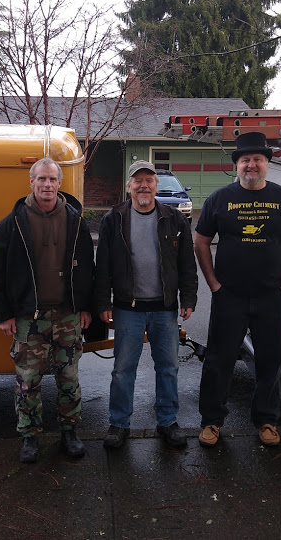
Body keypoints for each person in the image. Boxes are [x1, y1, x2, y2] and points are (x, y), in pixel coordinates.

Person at [194, 132, 281, 448]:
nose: (251, 165)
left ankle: (267, 421)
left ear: (266, 164)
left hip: (272, 296)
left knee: (271, 360)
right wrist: (214, 284)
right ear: (237, 165)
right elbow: (201, 241)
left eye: (257, 159)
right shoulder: (219, 199)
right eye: (245, 159)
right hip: (229, 295)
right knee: (219, 360)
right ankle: (211, 422)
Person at [0, 157, 94, 463]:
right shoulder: (10, 225)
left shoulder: (75, 221)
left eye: (52, 180)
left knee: (68, 377)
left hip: (67, 315)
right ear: (31, 183)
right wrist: (3, 314)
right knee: (27, 380)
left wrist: (85, 307)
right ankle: (29, 437)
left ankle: (70, 432)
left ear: (60, 184)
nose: (47, 185)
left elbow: (88, 268)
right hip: (27, 318)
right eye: (41, 179)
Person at [95, 161, 198, 448]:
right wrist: (103, 301)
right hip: (128, 309)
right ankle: (119, 424)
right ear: (128, 187)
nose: (143, 185)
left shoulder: (174, 219)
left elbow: (187, 265)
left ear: (156, 185)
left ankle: (168, 421)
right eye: (137, 180)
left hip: (164, 309)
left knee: (167, 368)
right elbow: (101, 265)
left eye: (149, 180)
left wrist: (188, 298)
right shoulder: (114, 219)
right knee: (123, 369)